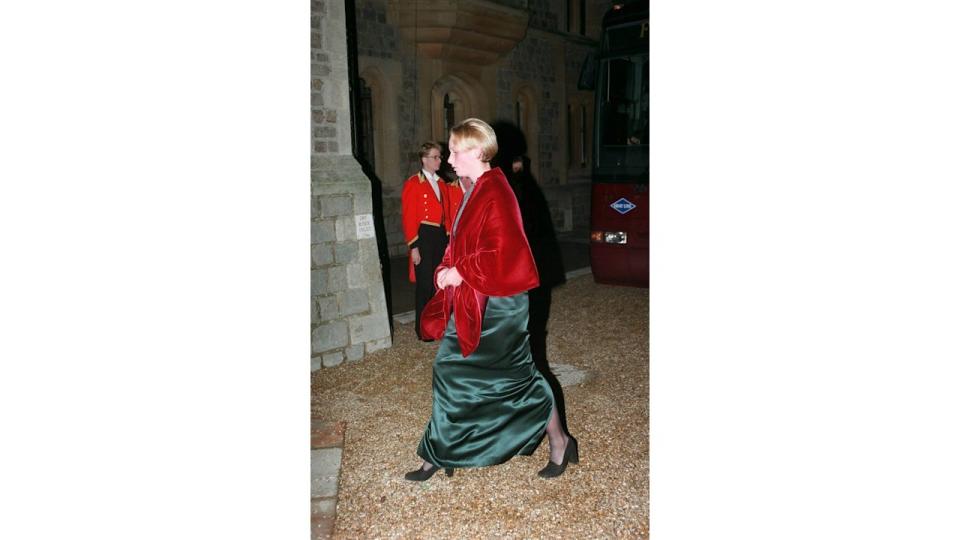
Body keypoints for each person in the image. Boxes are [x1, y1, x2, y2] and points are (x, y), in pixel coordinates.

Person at [405, 118, 578, 481]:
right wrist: (446, 267)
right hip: (478, 298)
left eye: (455, 150)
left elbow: (506, 252)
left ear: (478, 152)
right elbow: (461, 240)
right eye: (449, 150)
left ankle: (560, 441)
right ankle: (441, 451)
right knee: (456, 373)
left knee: (514, 378)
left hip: (500, 305)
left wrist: (461, 272)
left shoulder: (497, 190)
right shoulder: (476, 186)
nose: (449, 156)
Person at [401, 142, 464, 341]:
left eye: (439, 156)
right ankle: (422, 330)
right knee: (424, 286)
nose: (440, 160)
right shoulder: (413, 183)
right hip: (423, 237)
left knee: (440, 284)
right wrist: (414, 247)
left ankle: (438, 326)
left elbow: (446, 215)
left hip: (439, 237)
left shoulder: (442, 184)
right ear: (424, 159)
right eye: (436, 157)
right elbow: (409, 217)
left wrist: (448, 240)